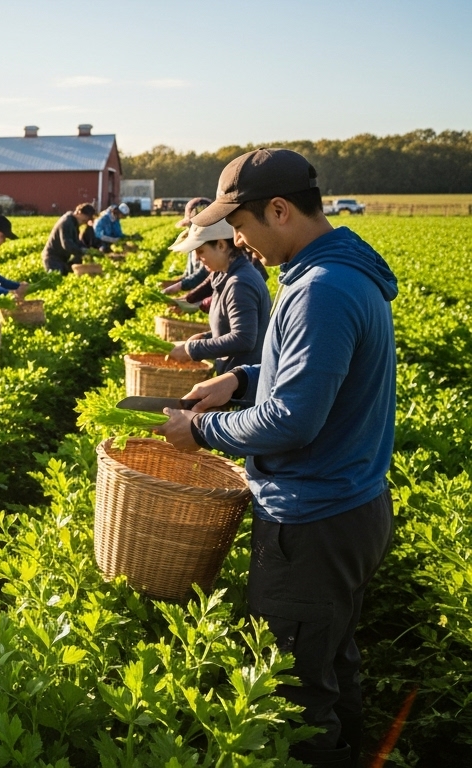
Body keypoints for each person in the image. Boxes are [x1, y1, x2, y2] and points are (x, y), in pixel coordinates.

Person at [154, 149, 397, 768]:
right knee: (330, 663)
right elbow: (308, 373)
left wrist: (201, 431)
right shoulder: (339, 272)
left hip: (312, 521)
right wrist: (240, 377)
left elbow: (291, 419)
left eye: (240, 225)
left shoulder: (322, 290)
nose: (238, 240)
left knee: (293, 693)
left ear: (280, 210)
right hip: (348, 508)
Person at [164, 219, 272, 391]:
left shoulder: (240, 283)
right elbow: (233, 327)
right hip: (232, 381)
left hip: (244, 390)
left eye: (201, 251)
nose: (197, 258)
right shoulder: (224, 275)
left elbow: (243, 339)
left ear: (221, 245)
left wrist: (192, 349)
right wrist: (205, 337)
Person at [165, 197, 214, 296]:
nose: (190, 228)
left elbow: (204, 274)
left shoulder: (212, 243)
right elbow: (189, 273)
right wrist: (174, 283)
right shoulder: (192, 241)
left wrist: (180, 286)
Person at [42, 203, 99, 272]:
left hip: (62, 258)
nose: (87, 220)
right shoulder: (66, 222)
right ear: (79, 212)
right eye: (87, 217)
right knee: (57, 276)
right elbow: (67, 244)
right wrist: (82, 251)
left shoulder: (74, 223)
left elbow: (77, 242)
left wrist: (87, 251)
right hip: (53, 259)